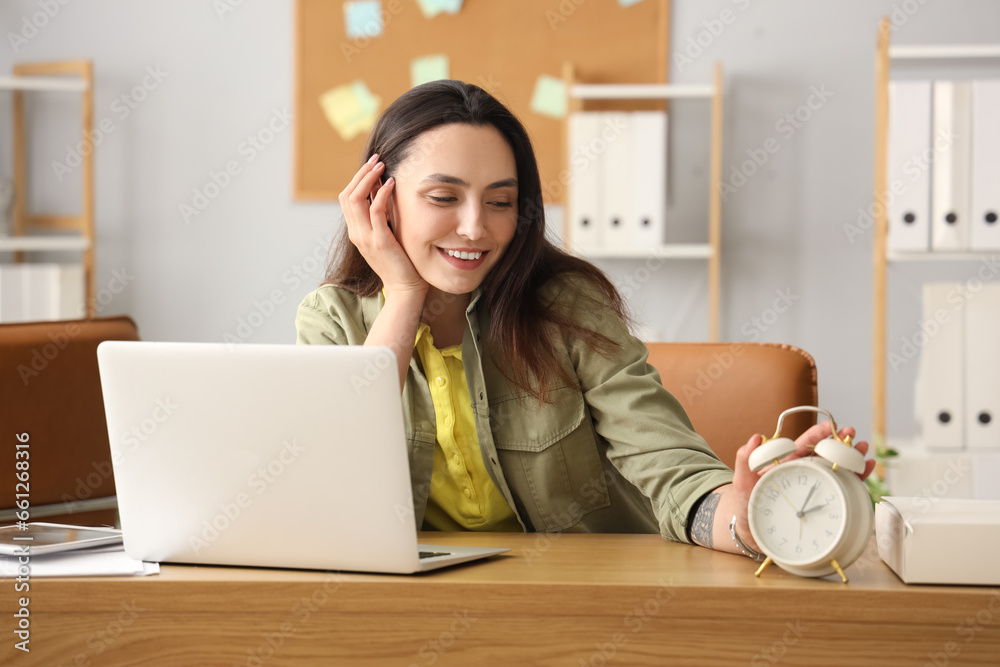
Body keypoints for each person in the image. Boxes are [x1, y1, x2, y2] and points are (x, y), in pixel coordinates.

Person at [295, 80, 874, 556]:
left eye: (499, 202)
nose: (475, 227)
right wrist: (402, 293)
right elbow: (327, 478)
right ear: (378, 197)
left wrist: (745, 521)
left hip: (573, 603)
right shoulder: (333, 320)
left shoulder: (568, 306)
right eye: (444, 198)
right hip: (398, 608)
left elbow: (669, 464)